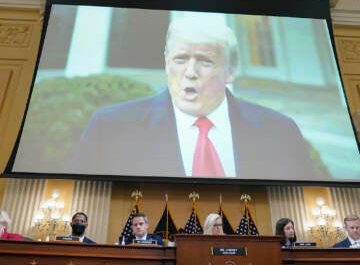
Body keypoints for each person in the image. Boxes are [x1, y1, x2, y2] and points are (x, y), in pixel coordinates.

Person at [71, 15, 316, 180]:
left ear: (231, 70)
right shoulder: (109, 127)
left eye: (205, 61)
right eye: (180, 60)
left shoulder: (281, 131)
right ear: (167, 63)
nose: (189, 73)